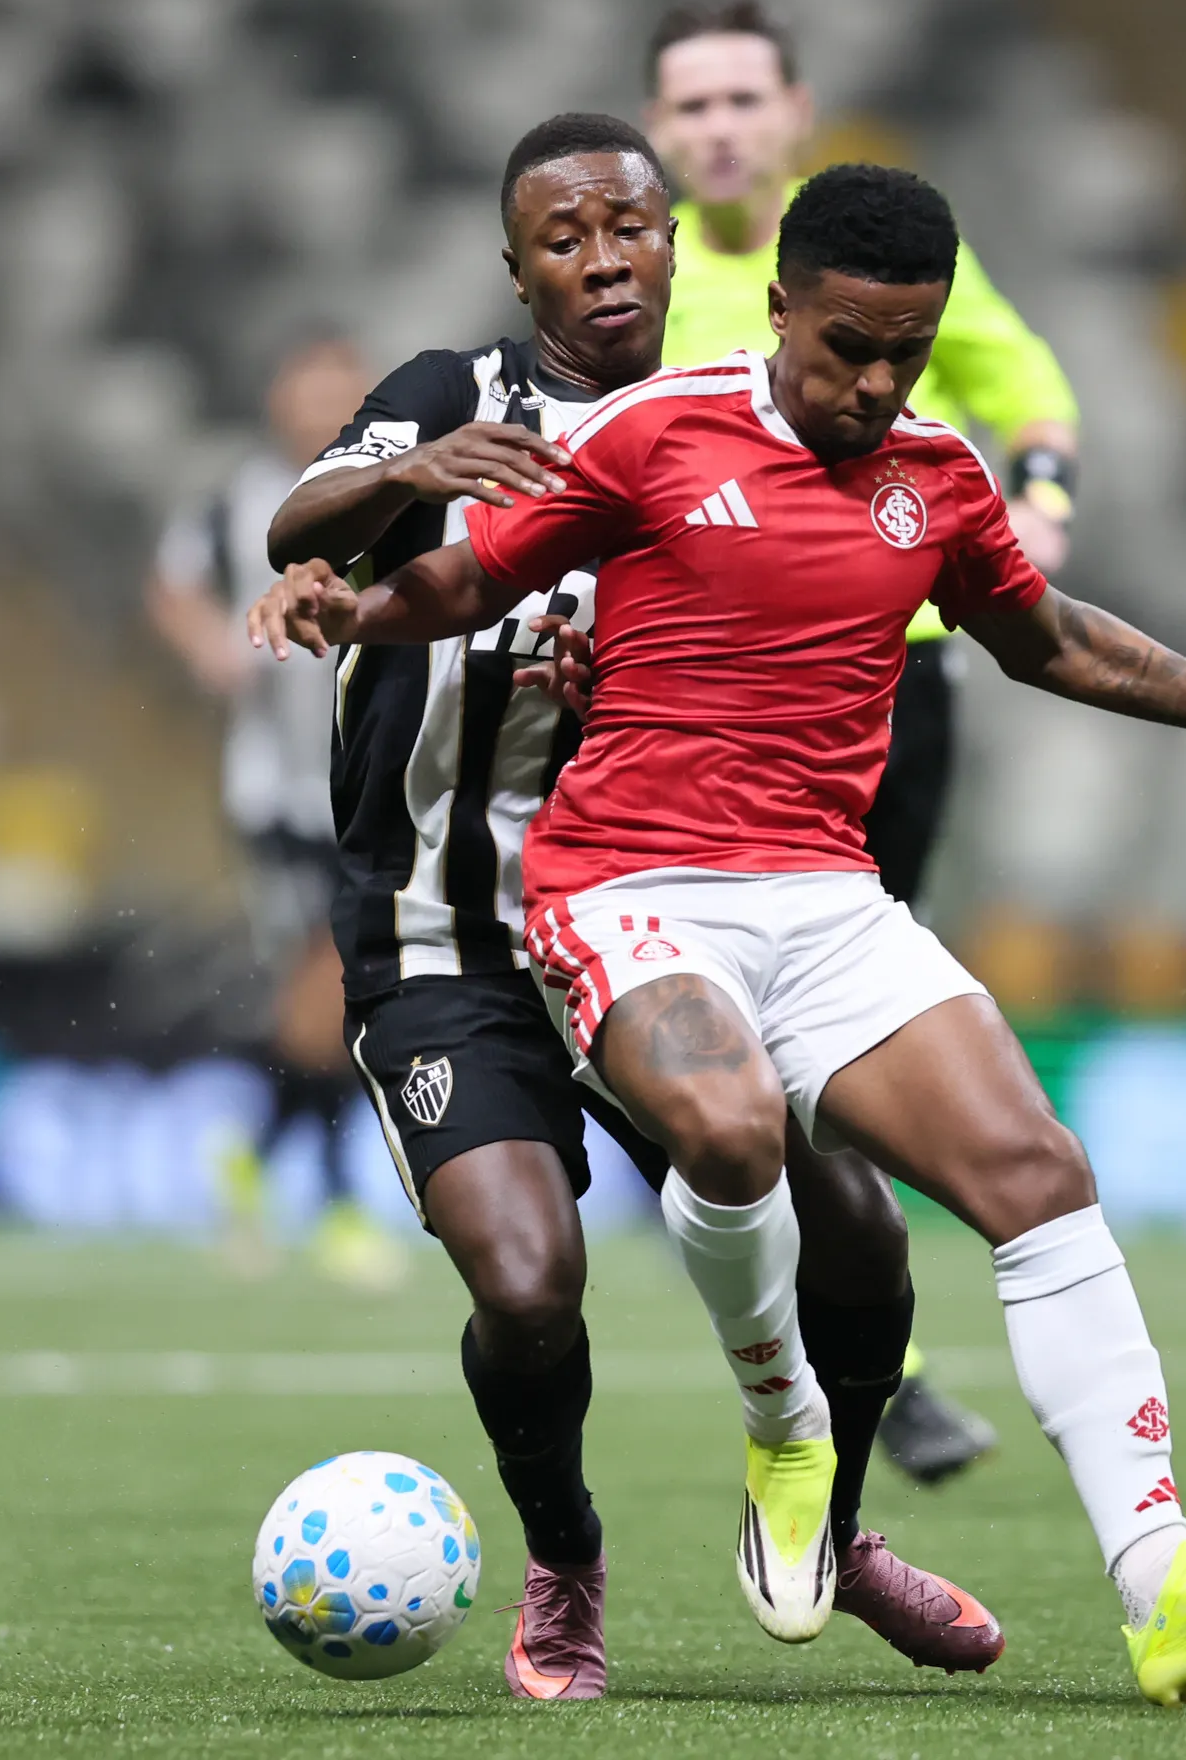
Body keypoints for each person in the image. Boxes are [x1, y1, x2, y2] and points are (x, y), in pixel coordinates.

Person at [256, 163, 1186, 1707]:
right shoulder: (651, 431)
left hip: (825, 899)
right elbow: (467, 575)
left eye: (906, 351)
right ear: (778, 312)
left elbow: (1051, 639)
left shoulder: (937, 474)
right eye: (847, 351)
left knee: (1036, 1175)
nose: (876, 383)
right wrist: (349, 610)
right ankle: (786, 1443)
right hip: (627, 883)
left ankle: (1164, 1584)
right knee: (728, 1132)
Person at [254, 115, 1002, 1699]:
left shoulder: (741, 419)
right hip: (449, 932)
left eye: (631, 231)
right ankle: (564, 1558)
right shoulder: (456, 397)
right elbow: (294, 535)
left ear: (677, 246)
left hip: (660, 911)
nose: (604, 261)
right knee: (529, 1284)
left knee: (856, 1232)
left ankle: (829, 1529)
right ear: (516, 264)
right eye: (564, 238)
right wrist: (409, 471)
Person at [645, 0, 1071, 1481]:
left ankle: (862, 1346)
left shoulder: (880, 273)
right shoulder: (643, 285)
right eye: (689, 107)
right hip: (703, 711)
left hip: (890, 693)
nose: (716, 128)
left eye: (739, 101)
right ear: (656, 130)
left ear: (793, 112)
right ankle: (863, 1359)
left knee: (838, 1021)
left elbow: (1026, 390)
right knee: (733, 1043)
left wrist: (1045, 495)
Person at [144, 336, 402, 1289]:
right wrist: (210, 647)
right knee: (328, 993)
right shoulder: (240, 503)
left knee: (333, 1000)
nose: (319, 408)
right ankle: (334, 1202)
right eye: (307, 391)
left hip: (373, 788)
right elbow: (171, 580)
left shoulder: (396, 492)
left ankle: (253, 1162)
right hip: (279, 793)